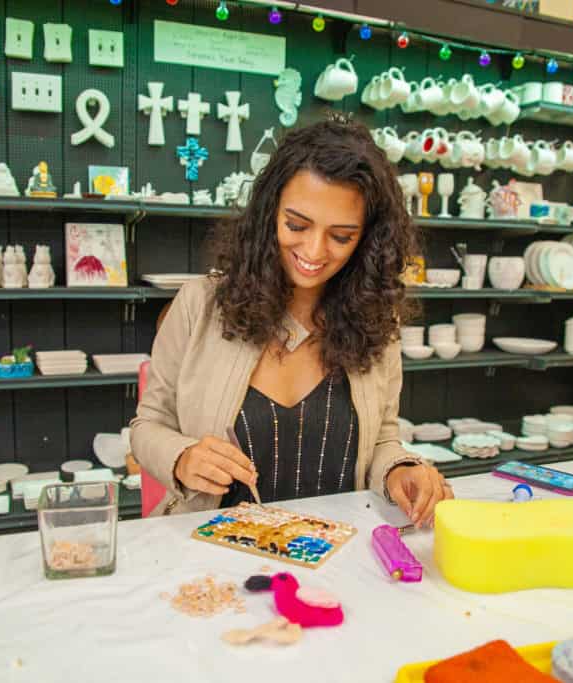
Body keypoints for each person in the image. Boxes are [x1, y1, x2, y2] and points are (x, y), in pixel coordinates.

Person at [131, 116, 453, 525]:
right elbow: (147, 427)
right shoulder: (200, 304)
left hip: (334, 551)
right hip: (213, 555)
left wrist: (400, 469)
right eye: (297, 225)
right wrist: (181, 458)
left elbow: (383, 437)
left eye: (341, 236)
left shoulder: (375, 321)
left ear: (368, 240)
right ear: (270, 213)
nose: (315, 250)